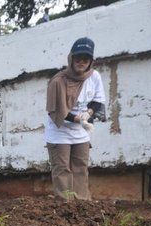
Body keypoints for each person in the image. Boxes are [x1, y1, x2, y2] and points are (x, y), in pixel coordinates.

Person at [45, 37, 106, 200]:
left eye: (86, 59)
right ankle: (65, 206)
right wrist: (80, 119)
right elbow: (58, 111)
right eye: (78, 58)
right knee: (62, 169)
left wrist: (88, 114)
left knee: (80, 167)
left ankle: (82, 206)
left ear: (91, 61)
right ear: (71, 58)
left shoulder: (94, 77)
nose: (81, 62)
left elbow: (98, 100)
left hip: (81, 132)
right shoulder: (58, 81)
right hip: (60, 131)